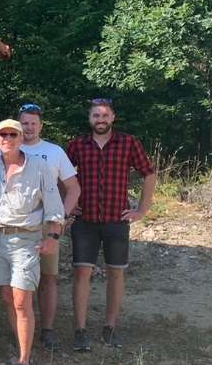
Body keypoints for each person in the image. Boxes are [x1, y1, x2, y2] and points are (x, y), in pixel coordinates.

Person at [66, 99, 156, 351]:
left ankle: (110, 328)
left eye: (105, 115)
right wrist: (68, 204)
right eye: (96, 115)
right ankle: (80, 330)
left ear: (113, 117)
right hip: (85, 221)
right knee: (82, 273)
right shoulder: (77, 145)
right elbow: (60, 173)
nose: (100, 119)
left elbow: (149, 173)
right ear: (90, 118)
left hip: (117, 221)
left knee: (116, 272)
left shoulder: (128, 143)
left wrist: (142, 209)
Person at [0, 103, 81, 349]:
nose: (29, 127)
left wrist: (61, 217)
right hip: (14, 227)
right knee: (16, 285)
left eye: (33, 123)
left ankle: (47, 329)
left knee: (48, 278)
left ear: (40, 126)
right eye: (24, 123)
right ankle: (22, 332)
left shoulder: (53, 152)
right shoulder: (2, 151)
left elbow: (73, 187)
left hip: (46, 225)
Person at [0, 119, 65, 365]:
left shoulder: (39, 168)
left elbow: (54, 206)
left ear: (21, 138)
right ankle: (21, 345)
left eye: (13, 134)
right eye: (3, 134)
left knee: (22, 300)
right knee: (8, 296)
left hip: (26, 239)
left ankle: (23, 362)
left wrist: (53, 237)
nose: (8, 138)